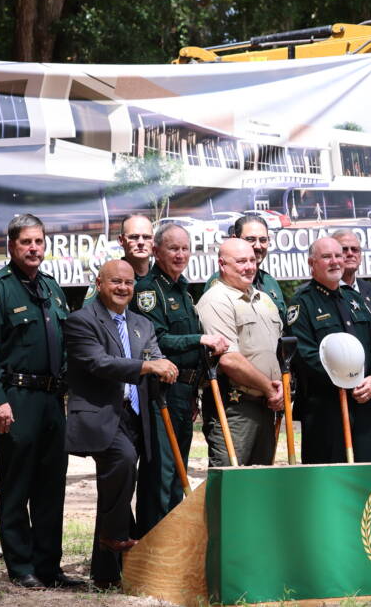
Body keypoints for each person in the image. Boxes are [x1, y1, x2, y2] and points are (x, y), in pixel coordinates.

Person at [0, 214, 82, 590]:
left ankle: (49, 565)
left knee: (52, 484)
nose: (34, 248)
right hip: (14, 399)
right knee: (17, 484)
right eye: (26, 243)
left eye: (39, 242)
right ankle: (21, 566)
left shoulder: (51, 288)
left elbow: (65, 343)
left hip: (52, 398)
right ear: (11, 246)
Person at [63, 260, 178, 590]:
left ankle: (106, 574)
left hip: (137, 417)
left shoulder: (142, 323)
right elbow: (99, 363)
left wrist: (164, 367)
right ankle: (115, 536)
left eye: (129, 283)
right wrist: (149, 365)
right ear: (99, 283)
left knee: (116, 485)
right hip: (102, 415)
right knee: (123, 461)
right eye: (116, 282)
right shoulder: (80, 320)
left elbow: (156, 357)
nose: (123, 288)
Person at [132, 222, 227, 534]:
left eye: (185, 248)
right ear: (157, 251)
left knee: (178, 469)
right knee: (161, 471)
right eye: (173, 248)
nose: (180, 254)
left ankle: (172, 546)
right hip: (161, 391)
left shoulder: (184, 291)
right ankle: (153, 544)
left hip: (185, 392)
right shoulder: (148, 290)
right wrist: (200, 339)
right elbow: (154, 340)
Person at [288, 236, 371, 463]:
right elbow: (304, 355)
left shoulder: (355, 299)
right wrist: (347, 378)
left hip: (363, 406)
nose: (335, 261)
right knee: (327, 481)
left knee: (364, 481)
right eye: (326, 257)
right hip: (325, 410)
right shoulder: (302, 303)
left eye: (338, 256)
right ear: (312, 264)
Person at [194, 238, 285, 466]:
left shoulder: (264, 299)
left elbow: (281, 352)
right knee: (231, 482)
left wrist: (282, 384)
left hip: (267, 404)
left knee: (261, 484)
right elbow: (229, 360)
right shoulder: (216, 300)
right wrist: (269, 388)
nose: (249, 266)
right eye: (241, 261)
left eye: (252, 260)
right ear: (222, 265)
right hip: (234, 408)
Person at [207, 213, 285, 315]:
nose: (258, 246)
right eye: (250, 239)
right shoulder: (222, 281)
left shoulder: (270, 282)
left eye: (263, 240)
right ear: (234, 239)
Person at [334, 230, 371, 317]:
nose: (350, 253)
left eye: (355, 249)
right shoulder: (314, 294)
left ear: (360, 256)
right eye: (344, 249)